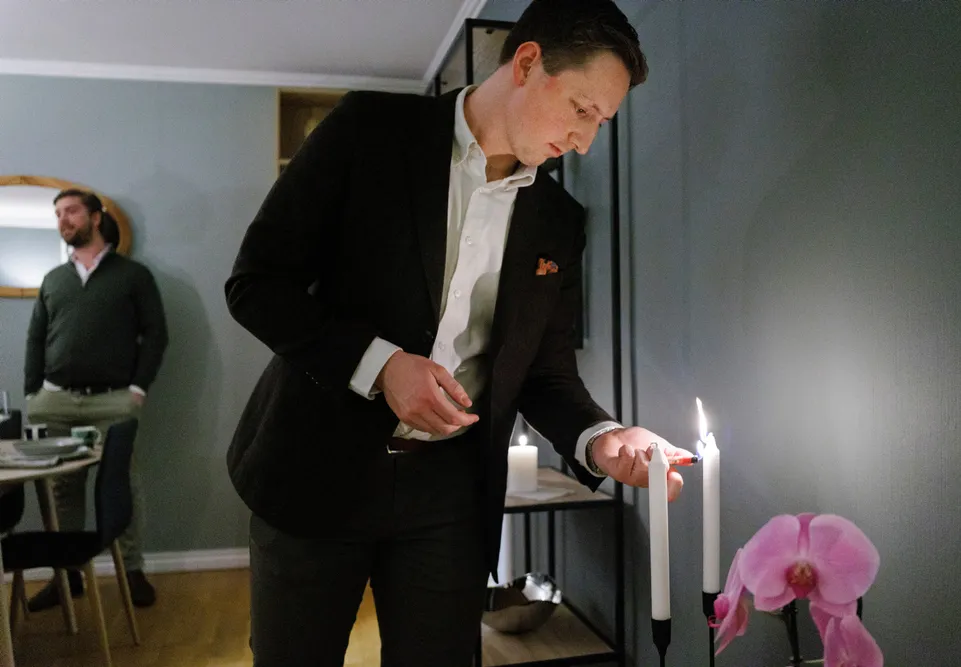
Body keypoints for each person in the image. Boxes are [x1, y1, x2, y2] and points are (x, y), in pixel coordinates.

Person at [226, 1, 691, 664]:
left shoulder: (558, 220)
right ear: (526, 63)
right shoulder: (368, 132)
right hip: (314, 469)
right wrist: (381, 366)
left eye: (601, 122)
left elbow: (545, 373)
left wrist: (602, 438)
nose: (585, 140)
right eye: (582, 109)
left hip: (449, 496)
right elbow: (258, 283)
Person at [24, 188, 168, 609]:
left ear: (96, 217)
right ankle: (68, 577)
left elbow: (155, 333)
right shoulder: (54, 279)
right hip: (55, 401)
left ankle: (132, 572)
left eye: (71, 211)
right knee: (62, 490)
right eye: (58, 214)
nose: (63, 220)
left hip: (113, 401)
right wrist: (33, 391)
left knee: (120, 487)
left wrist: (138, 388)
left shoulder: (133, 275)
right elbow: (36, 338)